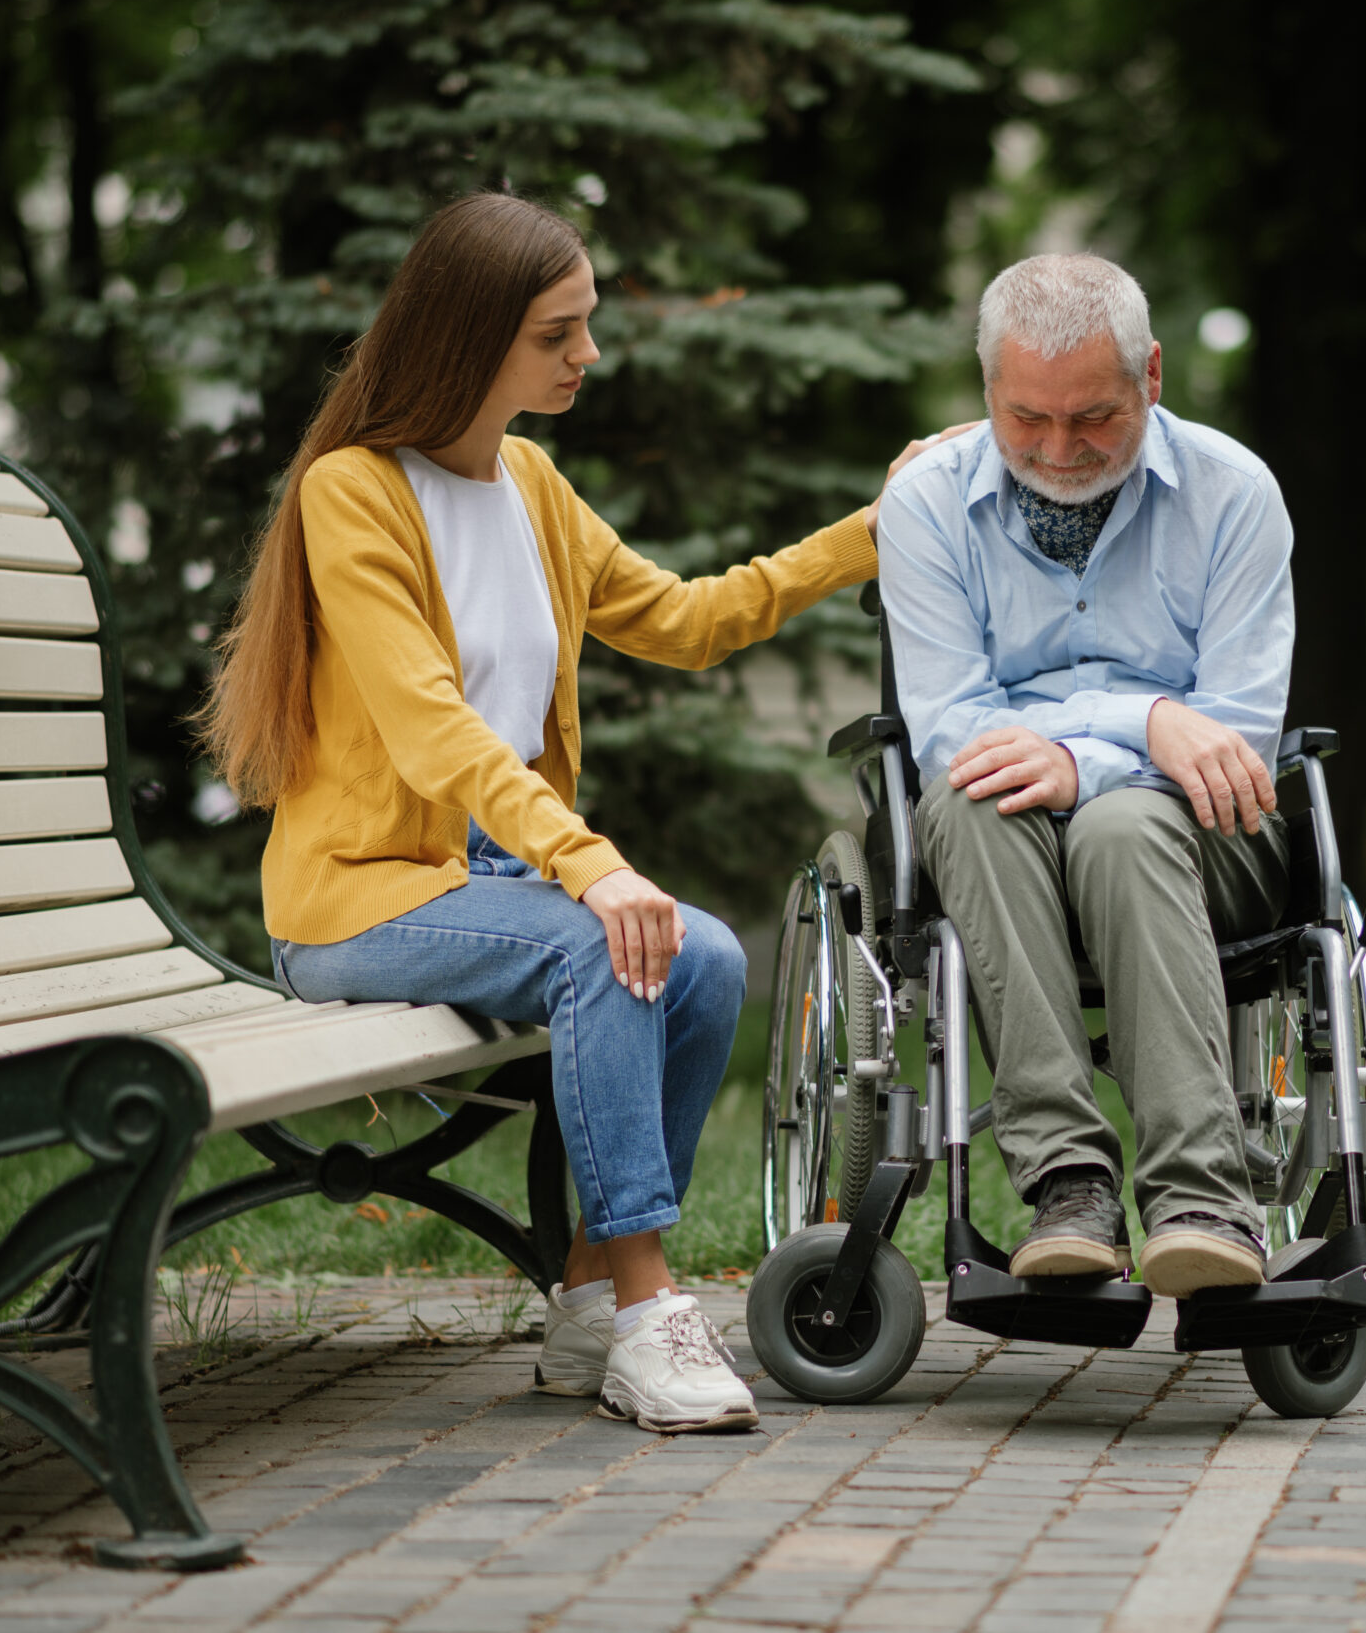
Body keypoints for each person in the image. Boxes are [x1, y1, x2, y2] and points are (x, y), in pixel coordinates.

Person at [198, 192, 885, 1432]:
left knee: (708, 953)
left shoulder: (530, 480)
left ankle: (580, 1290)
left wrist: (864, 538)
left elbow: (682, 618)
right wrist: (589, 864)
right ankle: (643, 1306)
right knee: (603, 942)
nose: (589, 355)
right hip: (358, 895)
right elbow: (429, 727)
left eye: (588, 325)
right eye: (558, 333)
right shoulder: (352, 492)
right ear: (470, 338)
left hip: (484, 880)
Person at [875, 253, 1293, 1299]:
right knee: (965, 798)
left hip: (1204, 837)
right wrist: (1149, 721)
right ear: (986, 394)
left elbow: (1233, 735)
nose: (1059, 449)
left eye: (1094, 416)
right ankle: (1068, 1184)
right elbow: (950, 729)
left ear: (1150, 373)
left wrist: (1093, 750)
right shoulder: (925, 504)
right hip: (1002, 837)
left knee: (1121, 826)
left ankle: (1200, 1199)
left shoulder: (1235, 495)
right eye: (1027, 420)